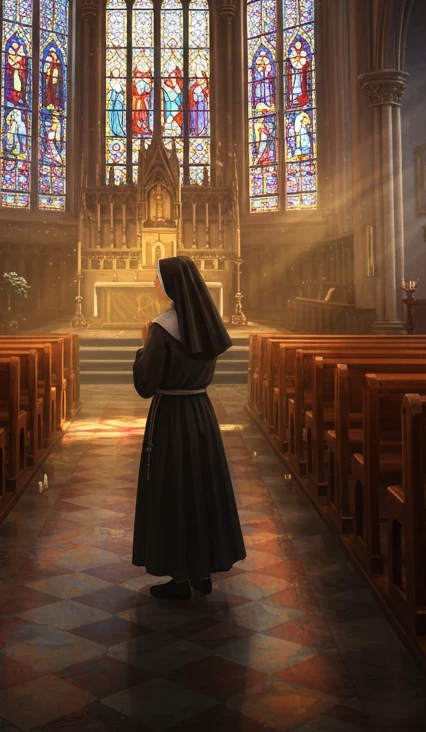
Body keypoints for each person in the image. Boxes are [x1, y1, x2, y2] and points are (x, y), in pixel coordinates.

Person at [132, 256, 246, 598]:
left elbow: (145, 384)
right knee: (201, 486)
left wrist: (143, 346)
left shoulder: (161, 328)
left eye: (157, 278)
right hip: (200, 413)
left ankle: (180, 577)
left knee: (173, 490)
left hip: (171, 416)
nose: (154, 283)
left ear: (171, 285)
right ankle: (202, 570)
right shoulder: (205, 322)